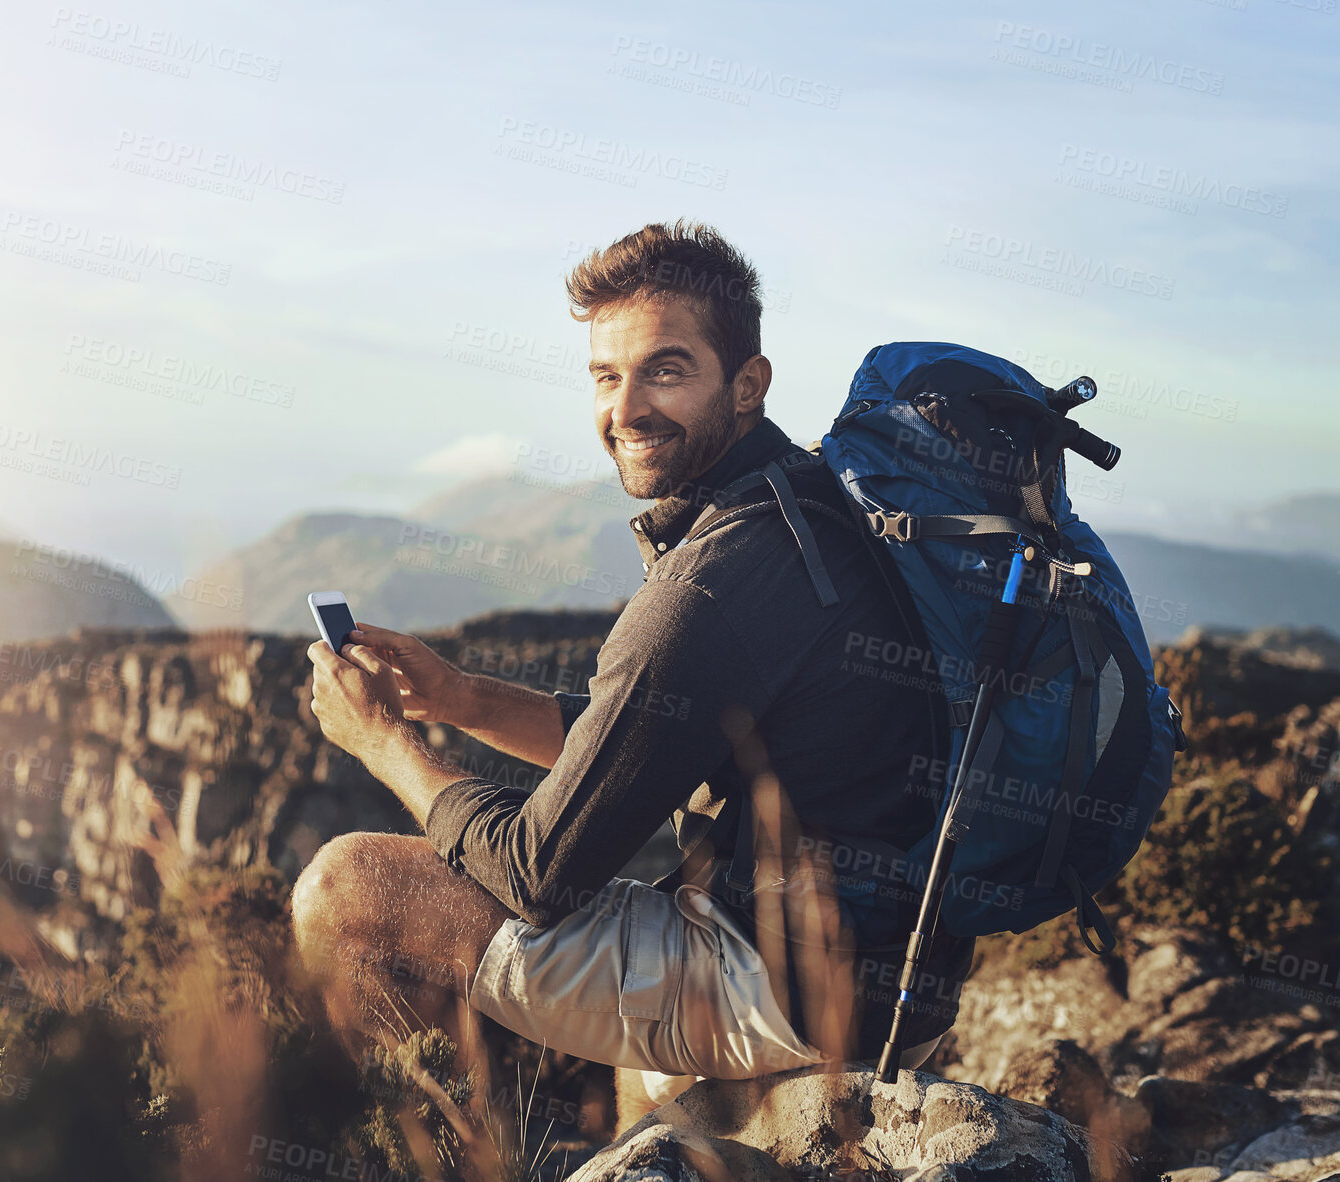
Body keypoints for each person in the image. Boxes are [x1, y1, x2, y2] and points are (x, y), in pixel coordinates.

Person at [295, 220, 974, 1129]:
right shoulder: (808, 505)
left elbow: (540, 877)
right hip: (896, 976)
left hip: (793, 997)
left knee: (347, 887)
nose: (625, 409)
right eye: (606, 377)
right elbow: (646, 733)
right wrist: (461, 698)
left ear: (747, 383)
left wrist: (384, 743)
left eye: (664, 370)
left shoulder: (716, 575)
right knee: (653, 939)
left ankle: (425, 1151)